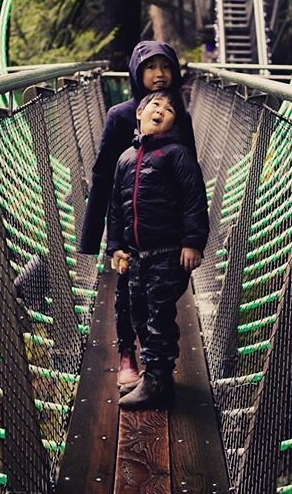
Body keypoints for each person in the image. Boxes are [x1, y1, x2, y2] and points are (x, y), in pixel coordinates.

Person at [78, 41, 196, 387]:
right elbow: (104, 178)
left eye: (166, 67)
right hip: (127, 226)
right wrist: (98, 235)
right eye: (149, 67)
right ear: (135, 72)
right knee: (127, 292)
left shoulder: (180, 118)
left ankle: (154, 365)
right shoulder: (120, 116)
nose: (159, 75)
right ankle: (127, 353)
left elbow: (190, 179)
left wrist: (191, 238)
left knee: (161, 294)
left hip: (165, 230)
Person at [106, 90, 209, 409]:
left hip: (168, 252)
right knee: (139, 314)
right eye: (155, 105)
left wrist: (192, 242)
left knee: (158, 316)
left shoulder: (176, 154)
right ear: (139, 113)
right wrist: (117, 247)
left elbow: (194, 198)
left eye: (169, 109)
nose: (161, 111)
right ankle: (153, 376)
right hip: (138, 255)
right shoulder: (125, 158)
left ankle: (158, 381)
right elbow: (116, 209)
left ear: (174, 122)